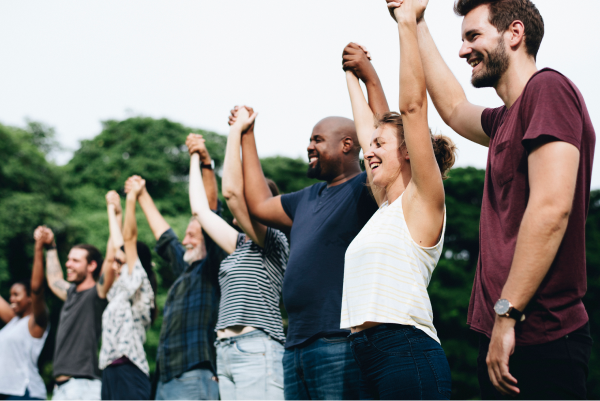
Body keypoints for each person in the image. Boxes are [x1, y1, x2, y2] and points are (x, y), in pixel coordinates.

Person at [385, 0, 597, 398]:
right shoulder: (505, 120)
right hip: (506, 335)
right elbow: (452, 107)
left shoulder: (548, 90)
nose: (463, 50)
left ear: (514, 34)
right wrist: (416, 20)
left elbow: (552, 209)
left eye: (473, 36)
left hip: (541, 336)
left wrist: (507, 314)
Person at [341, 0, 457, 396]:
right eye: (366, 145)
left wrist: (406, 21)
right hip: (361, 358)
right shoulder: (384, 211)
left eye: (380, 145)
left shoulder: (422, 200)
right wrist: (350, 77)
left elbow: (412, 107)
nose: (367, 151)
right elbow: (365, 130)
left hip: (405, 353)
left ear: (408, 150)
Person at [240, 100, 379, 399]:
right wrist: (247, 135)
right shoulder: (306, 198)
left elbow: (389, 151)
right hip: (295, 346)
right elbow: (258, 204)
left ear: (346, 145)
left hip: (338, 341)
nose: (309, 146)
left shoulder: (365, 189)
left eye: (317, 139)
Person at [187, 107, 289, 401]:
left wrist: (235, 130)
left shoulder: (273, 241)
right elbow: (200, 210)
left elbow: (231, 193)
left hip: (257, 347)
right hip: (226, 350)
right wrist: (194, 157)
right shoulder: (241, 244)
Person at [131, 138, 227, 401]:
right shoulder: (186, 268)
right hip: (165, 377)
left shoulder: (212, 268)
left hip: (196, 373)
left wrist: (205, 162)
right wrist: (142, 194)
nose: (185, 240)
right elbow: (164, 236)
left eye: (193, 235)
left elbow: (211, 211)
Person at [40, 225, 111, 401]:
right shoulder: (71, 293)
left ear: (92, 265)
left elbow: (109, 262)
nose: (68, 264)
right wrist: (51, 247)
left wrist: (115, 216)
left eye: (75, 260)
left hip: (83, 386)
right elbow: (55, 280)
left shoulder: (97, 294)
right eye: (69, 259)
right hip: (62, 387)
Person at [99, 189, 156, 400]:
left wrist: (131, 199)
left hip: (129, 371)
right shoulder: (118, 292)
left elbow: (127, 240)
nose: (115, 265)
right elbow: (118, 246)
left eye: (120, 262)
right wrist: (113, 212)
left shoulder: (139, 287)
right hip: (110, 371)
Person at [0, 227, 51, 401]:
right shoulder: (14, 322)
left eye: (16, 295)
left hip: (26, 393)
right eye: (10, 295)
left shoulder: (35, 323)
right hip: (7, 394)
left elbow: (37, 289)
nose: (11, 299)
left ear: (30, 298)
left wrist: (38, 248)